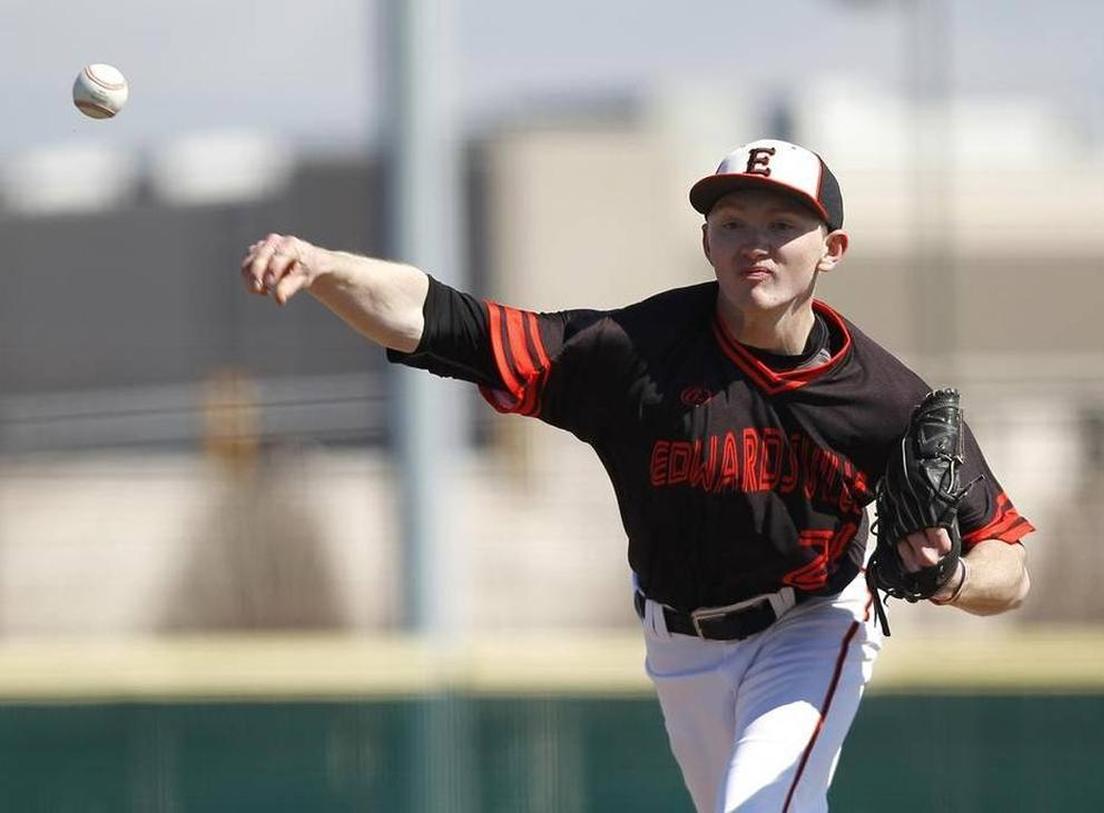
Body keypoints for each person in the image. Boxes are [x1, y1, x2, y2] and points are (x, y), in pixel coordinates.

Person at [240, 138, 1033, 812]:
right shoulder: (638, 352)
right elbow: (452, 323)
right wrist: (326, 267)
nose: (755, 239)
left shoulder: (887, 401)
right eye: (732, 222)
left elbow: (1011, 565)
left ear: (832, 248)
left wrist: (954, 576)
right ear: (707, 242)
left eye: (783, 223)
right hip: (679, 642)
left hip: (813, 620)